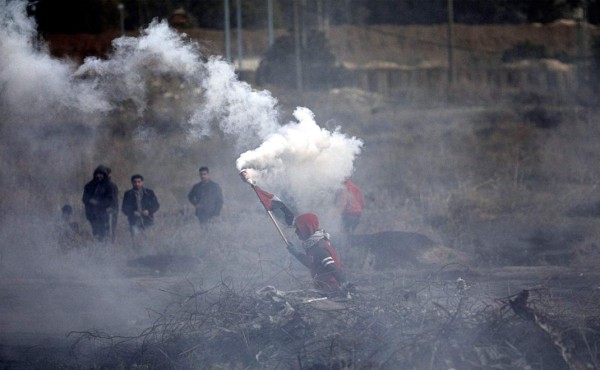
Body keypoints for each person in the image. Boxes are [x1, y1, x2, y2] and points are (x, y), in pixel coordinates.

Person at [286, 213, 348, 296]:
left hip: (331, 288)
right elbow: (311, 264)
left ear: (307, 228)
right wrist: (296, 254)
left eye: (299, 229)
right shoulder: (313, 244)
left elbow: (332, 267)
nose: (296, 232)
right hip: (323, 286)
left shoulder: (319, 247)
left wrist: (345, 285)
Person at [82, 165, 118, 242]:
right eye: (97, 174)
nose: (99, 176)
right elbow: (84, 198)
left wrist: (98, 203)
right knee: (96, 233)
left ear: (105, 175)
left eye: (101, 174)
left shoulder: (110, 186)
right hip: (92, 215)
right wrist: (89, 200)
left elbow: (111, 201)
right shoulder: (89, 186)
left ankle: (107, 250)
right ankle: (99, 249)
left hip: (106, 214)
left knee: (107, 234)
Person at [121, 174, 160, 238]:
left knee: (149, 241)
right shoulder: (128, 194)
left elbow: (156, 205)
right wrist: (133, 212)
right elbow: (124, 208)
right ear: (132, 183)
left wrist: (148, 211)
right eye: (135, 182)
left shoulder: (149, 193)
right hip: (134, 222)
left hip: (148, 221)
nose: (137, 184)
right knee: (136, 243)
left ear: (142, 182)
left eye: (139, 182)